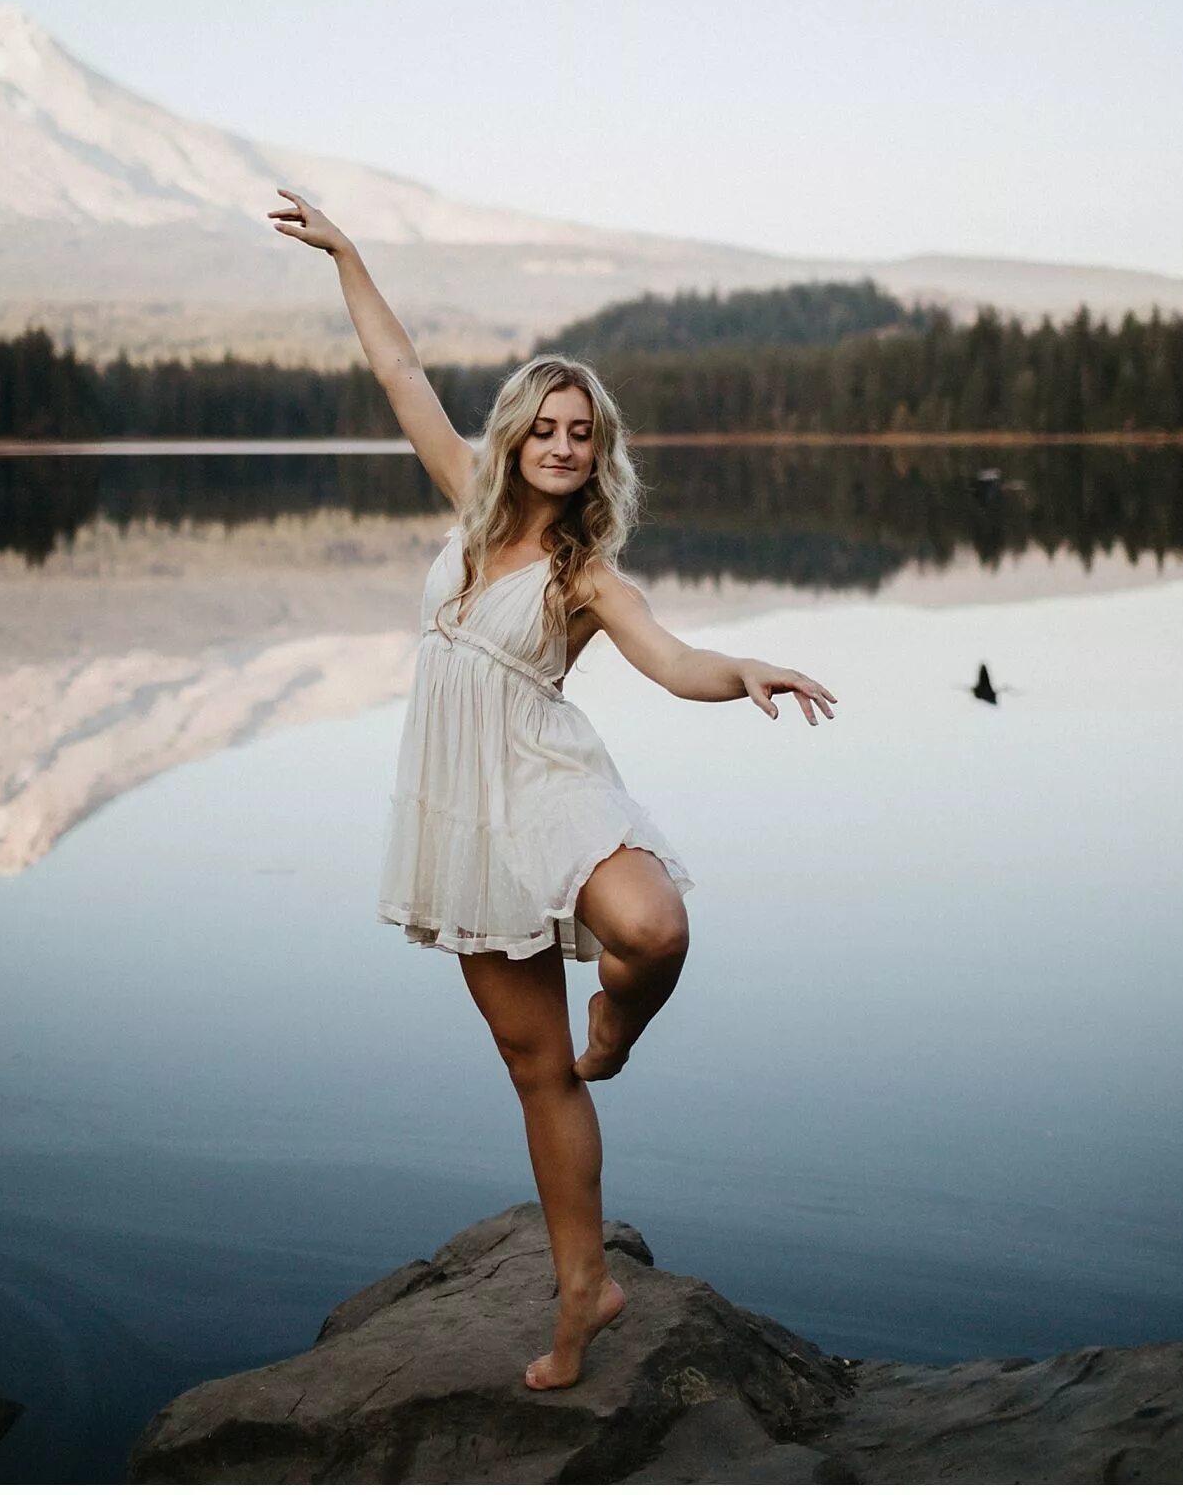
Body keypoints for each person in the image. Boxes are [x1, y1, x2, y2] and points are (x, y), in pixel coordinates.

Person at [270, 189, 837, 1391]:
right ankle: (583, 1283)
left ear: (599, 451)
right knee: (533, 1071)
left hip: (544, 783)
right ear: (518, 434)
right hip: (460, 812)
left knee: (654, 924)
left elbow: (670, 655)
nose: (567, 446)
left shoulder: (586, 571)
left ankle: (619, 1022)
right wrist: (351, 257)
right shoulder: (467, 511)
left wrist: (745, 671)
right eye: (550, 427)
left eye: (585, 432)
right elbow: (399, 368)